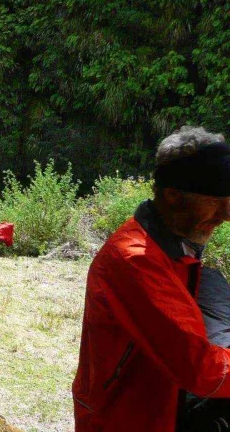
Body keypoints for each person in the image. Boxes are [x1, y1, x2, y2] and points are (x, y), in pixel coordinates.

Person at [72, 127, 230, 432]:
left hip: (163, 397)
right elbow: (201, 369)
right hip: (126, 417)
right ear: (172, 195)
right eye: (215, 200)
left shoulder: (173, 239)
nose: (226, 214)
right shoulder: (136, 260)